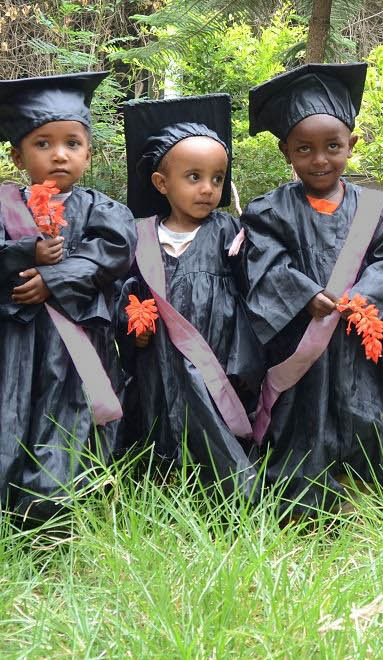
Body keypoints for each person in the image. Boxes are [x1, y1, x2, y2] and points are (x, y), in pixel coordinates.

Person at [240, 63, 383, 515]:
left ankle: (374, 484)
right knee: (303, 416)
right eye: (305, 149)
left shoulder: (376, 210)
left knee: (368, 407)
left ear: (352, 145)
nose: (320, 159)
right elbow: (264, 261)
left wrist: (365, 296)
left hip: (358, 339)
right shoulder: (270, 212)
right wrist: (304, 294)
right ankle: (306, 491)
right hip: (302, 344)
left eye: (332, 147)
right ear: (286, 152)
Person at [0, 72, 137, 529]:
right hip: (13, 341)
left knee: (68, 415)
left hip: (76, 342)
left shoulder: (103, 208)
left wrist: (54, 277)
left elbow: (113, 252)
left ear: (89, 153)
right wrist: (25, 253)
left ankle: (52, 514)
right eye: (43, 144)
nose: (59, 154)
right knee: (11, 413)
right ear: (16, 154)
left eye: (72, 143)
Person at [115, 94, 262, 499]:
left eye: (217, 178)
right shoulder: (139, 235)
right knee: (156, 412)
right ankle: (158, 482)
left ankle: (225, 486)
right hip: (155, 357)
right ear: (161, 183)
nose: (207, 189)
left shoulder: (229, 232)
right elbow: (122, 292)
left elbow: (252, 288)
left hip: (215, 355)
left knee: (211, 417)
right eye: (193, 177)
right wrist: (131, 322)